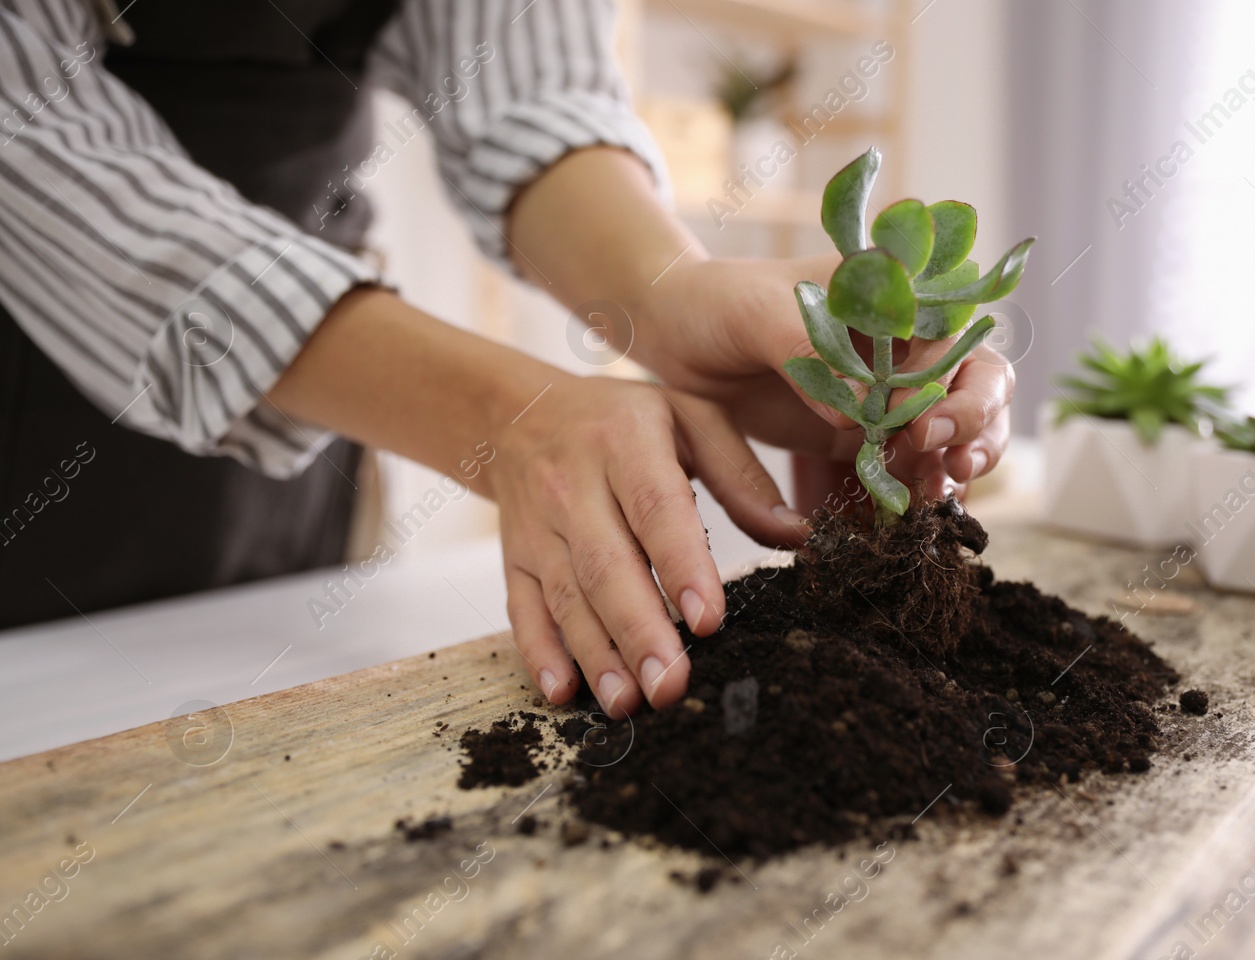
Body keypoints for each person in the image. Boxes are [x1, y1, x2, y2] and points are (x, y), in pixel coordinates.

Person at [0, 0, 1013, 717]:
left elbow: (524, 80)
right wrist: (500, 414)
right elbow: (33, 154)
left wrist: (669, 292)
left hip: (311, 434)